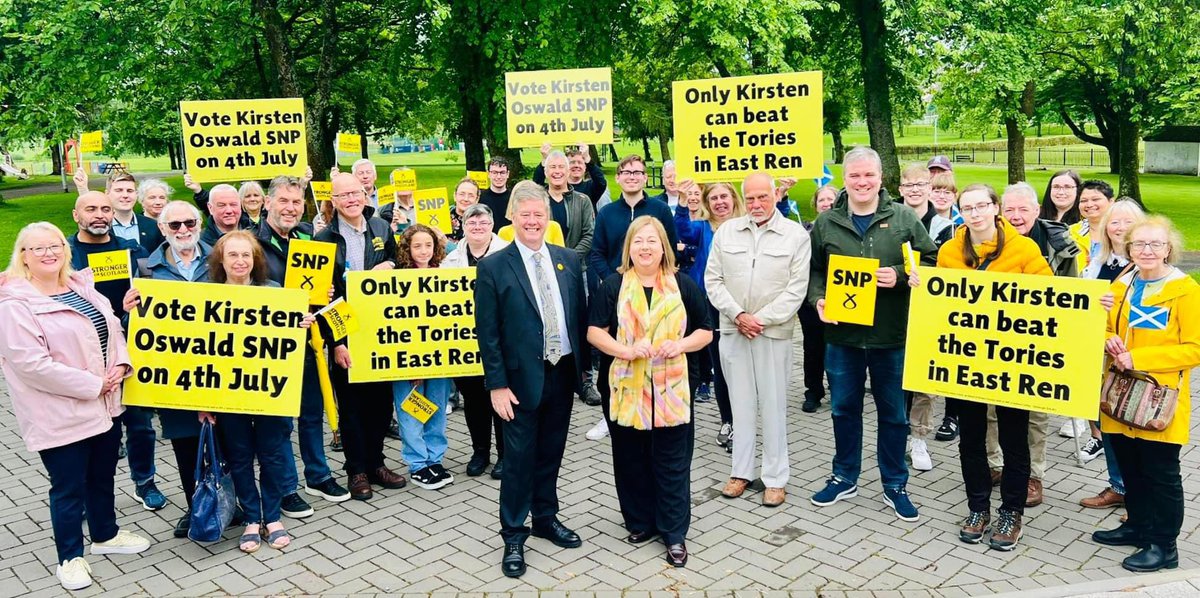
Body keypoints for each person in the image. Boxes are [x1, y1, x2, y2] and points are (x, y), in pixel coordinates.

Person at [0, 222, 150, 590]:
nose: (49, 253)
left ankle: (106, 535)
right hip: (60, 413)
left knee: (102, 476)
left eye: (54, 246)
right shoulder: (15, 305)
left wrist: (121, 364)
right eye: (38, 249)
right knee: (68, 488)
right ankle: (70, 557)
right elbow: (31, 365)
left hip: (105, 406)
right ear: (23, 256)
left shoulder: (81, 287)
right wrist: (93, 384)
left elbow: (113, 329)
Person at [808, 147, 937, 522]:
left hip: (891, 336)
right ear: (844, 178)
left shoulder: (902, 218)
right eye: (854, 176)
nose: (862, 182)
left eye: (869, 175)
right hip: (843, 338)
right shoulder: (827, 222)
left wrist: (897, 274)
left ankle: (894, 483)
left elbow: (929, 260)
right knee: (843, 409)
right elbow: (815, 272)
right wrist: (818, 299)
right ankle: (844, 476)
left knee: (894, 415)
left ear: (882, 178)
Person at [474, 186, 589, 578]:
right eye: (525, 215)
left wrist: (584, 373)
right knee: (519, 460)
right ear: (511, 217)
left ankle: (545, 517)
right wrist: (496, 384)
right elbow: (487, 333)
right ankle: (512, 533)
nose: (533, 221)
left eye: (539, 214)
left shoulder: (568, 260)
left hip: (562, 373)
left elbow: (578, 315)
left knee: (551, 453)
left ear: (548, 217)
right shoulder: (493, 266)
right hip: (519, 383)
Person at [588, 216, 713, 567]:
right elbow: (595, 331)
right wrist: (624, 350)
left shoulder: (684, 286)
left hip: (672, 389)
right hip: (627, 388)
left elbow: (706, 331)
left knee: (671, 462)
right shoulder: (613, 286)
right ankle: (640, 521)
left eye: (652, 241)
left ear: (664, 248)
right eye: (638, 241)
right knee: (630, 460)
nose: (645, 247)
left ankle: (673, 533)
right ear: (629, 248)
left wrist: (681, 344)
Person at [937, 183, 1051, 551]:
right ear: (960, 212)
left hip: (1011, 358)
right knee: (971, 437)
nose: (975, 213)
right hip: (967, 357)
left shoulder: (1023, 248)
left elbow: (1048, 297)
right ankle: (977, 508)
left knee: (1014, 438)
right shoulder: (950, 250)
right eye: (967, 207)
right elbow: (941, 303)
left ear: (995, 207)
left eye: (982, 205)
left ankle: (1011, 512)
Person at [1093, 216, 1199, 573]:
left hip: (1158, 399)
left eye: (1155, 244)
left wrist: (1139, 357)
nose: (1147, 251)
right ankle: (1137, 525)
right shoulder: (1124, 282)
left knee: (1161, 473)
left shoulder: (1185, 290)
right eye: (1139, 244)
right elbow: (1107, 323)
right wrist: (1107, 334)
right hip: (1121, 395)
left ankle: (1163, 545)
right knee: (1130, 466)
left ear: (1169, 249)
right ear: (1129, 248)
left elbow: (1194, 348)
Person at [197, 231, 313, 552]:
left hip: (270, 392)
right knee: (240, 456)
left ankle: (272, 516)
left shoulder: (273, 291)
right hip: (228, 394)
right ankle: (251, 518)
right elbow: (197, 352)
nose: (240, 261)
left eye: (246, 255)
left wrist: (298, 324)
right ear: (221, 259)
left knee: (274, 454)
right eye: (233, 255)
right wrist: (203, 401)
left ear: (255, 259)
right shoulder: (206, 296)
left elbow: (288, 344)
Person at [707, 172, 810, 508]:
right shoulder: (726, 232)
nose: (756, 204)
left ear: (775, 195)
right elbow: (714, 280)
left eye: (762, 197)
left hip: (773, 334)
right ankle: (741, 471)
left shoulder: (795, 235)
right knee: (741, 404)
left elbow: (796, 290)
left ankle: (776, 477)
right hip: (733, 330)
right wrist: (738, 315)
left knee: (774, 405)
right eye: (749, 198)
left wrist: (760, 320)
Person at [253, 175, 350, 509]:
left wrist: (328, 296)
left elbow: (328, 291)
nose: (291, 208)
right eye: (283, 201)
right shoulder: (251, 243)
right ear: (267, 203)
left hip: (310, 342)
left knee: (312, 413)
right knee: (280, 421)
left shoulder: (309, 238)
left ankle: (319, 475)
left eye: (296, 202)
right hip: (271, 348)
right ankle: (285, 487)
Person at [122, 200, 214, 537]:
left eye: (189, 222)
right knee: (185, 445)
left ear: (199, 224)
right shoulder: (147, 268)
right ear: (162, 229)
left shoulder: (219, 258)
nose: (183, 230)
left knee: (230, 443)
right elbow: (135, 330)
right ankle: (196, 508)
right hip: (174, 378)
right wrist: (128, 313)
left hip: (221, 373)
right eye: (174, 225)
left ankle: (234, 503)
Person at [314, 173, 405, 500]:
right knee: (352, 406)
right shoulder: (324, 240)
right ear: (334, 201)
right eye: (344, 195)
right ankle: (356, 470)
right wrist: (336, 342)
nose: (352, 199)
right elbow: (319, 299)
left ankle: (376, 462)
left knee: (381, 405)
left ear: (366, 194)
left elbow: (399, 262)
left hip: (380, 332)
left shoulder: (381, 228)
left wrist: (391, 264)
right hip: (345, 332)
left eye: (357, 192)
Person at [992, 182, 1082, 507]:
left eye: (1022, 209)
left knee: (1035, 412)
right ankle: (994, 465)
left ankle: (1033, 475)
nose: (1015, 216)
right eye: (1009, 210)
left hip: (1039, 340)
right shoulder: (986, 240)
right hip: (991, 338)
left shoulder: (1059, 243)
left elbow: (1073, 293)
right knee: (989, 405)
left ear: (1035, 210)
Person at [587, 155, 680, 439]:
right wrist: (614, 280)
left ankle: (655, 408)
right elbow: (596, 253)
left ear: (644, 178)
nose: (631, 176)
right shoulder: (607, 214)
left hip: (655, 292)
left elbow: (670, 248)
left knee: (652, 353)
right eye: (625, 172)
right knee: (614, 354)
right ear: (618, 178)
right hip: (617, 294)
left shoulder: (659, 210)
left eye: (637, 172)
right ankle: (611, 412)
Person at [1076, 199, 1145, 511]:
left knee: (1133, 425)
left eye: (1127, 222)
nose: (1120, 228)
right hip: (1097, 350)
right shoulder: (1099, 259)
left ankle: (1140, 496)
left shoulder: (1146, 263)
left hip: (1131, 358)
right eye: (1114, 222)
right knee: (1107, 422)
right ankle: (1119, 485)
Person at [677, 182, 744, 447]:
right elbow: (680, 229)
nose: (719, 202)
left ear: (733, 198)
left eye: (724, 196)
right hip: (713, 305)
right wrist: (683, 201)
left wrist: (781, 197)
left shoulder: (747, 224)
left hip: (744, 305)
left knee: (745, 368)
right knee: (722, 364)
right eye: (713, 198)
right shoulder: (703, 227)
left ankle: (745, 420)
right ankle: (728, 420)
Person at [897, 164, 954, 472]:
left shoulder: (945, 226)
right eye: (909, 185)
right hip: (894, 309)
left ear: (930, 188)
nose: (915, 189)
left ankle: (918, 438)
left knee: (924, 380)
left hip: (929, 311)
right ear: (900, 189)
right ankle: (895, 435)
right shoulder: (890, 219)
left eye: (921, 184)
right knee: (894, 378)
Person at [444, 204, 508, 479]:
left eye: (483, 222)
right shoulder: (451, 261)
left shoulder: (508, 255)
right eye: (472, 223)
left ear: (492, 224)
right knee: (474, 401)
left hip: (501, 342)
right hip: (466, 344)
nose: (478, 227)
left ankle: (506, 454)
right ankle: (480, 451)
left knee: (502, 399)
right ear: (463, 226)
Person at [390, 224, 455, 489]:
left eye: (428, 245)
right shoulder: (396, 279)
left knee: (437, 407)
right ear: (407, 248)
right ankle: (418, 463)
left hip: (439, 359)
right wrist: (411, 362)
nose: (423, 251)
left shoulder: (444, 275)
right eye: (417, 245)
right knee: (410, 411)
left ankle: (435, 458)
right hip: (407, 360)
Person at [66, 191, 147, 314]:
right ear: (76, 215)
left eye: (106, 210)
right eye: (91, 210)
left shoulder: (134, 251)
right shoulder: (63, 255)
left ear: (113, 214)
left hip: (128, 327)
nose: (99, 215)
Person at [798, 185, 837, 414]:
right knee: (812, 347)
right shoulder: (805, 229)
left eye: (830, 199)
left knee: (836, 347)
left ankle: (838, 388)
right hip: (811, 299)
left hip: (841, 297)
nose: (826, 203)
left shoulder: (846, 228)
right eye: (821, 199)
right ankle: (813, 390)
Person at [74, 170, 164, 254]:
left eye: (130, 191)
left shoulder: (153, 226)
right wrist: (82, 189)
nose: (125, 195)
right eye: (119, 190)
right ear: (107, 193)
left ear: (136, 194)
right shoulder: (99, 226)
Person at [539, 150, 596, 262]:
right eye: (553, 167)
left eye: (561, 167)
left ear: (568, 171)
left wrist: (570, 257)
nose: (557, 171)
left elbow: (589, 235)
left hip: (576, 266)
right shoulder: (537, 201)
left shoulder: (582, 201)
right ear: (546, 172)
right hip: (545, 265)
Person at [534, 142, 608, 206]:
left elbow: (601, 182)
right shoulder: (555, 188)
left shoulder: (590, 188)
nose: (576, 165)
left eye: (580, 162)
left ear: (585, 167)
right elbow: (536, 185)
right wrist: (545, 160)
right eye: (572, 162)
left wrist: (587, 158)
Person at [497, 181, 566, 246]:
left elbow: (561, 256)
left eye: (538, 214)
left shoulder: (554, 227)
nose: (532, 222)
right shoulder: (504, 232)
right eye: (525, 215)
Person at [480, 157, 514, 229]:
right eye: (494, 172)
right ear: (488, 174)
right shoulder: (480, 198)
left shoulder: (514, 198)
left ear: (508, 174)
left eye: (502, 173)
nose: (498, 177)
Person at [449, 177, 481, 242]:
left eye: (471, 195)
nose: (466, 199)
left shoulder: (482, 223)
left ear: (477, 199)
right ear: (455, 196)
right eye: (462, 194)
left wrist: (446, 243)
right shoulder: (443, 216)